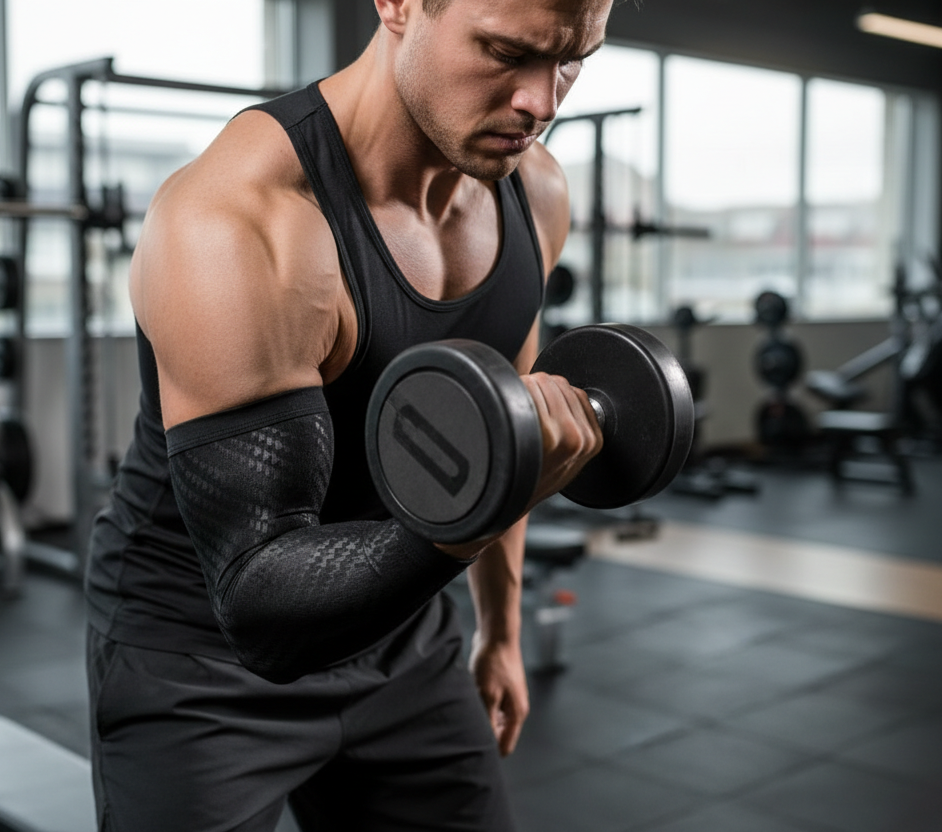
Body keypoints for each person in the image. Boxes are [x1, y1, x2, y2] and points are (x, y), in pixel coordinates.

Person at [84, 0, 615, 828]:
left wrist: (500, 630)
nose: (543, 102)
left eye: (572, 59)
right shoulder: (242, 217)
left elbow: (497, 426)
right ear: (399, 4)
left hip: (405, 630)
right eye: (506, 51)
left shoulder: (534, 191)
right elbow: (261, 606)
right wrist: (478, 512)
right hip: (204, 660)